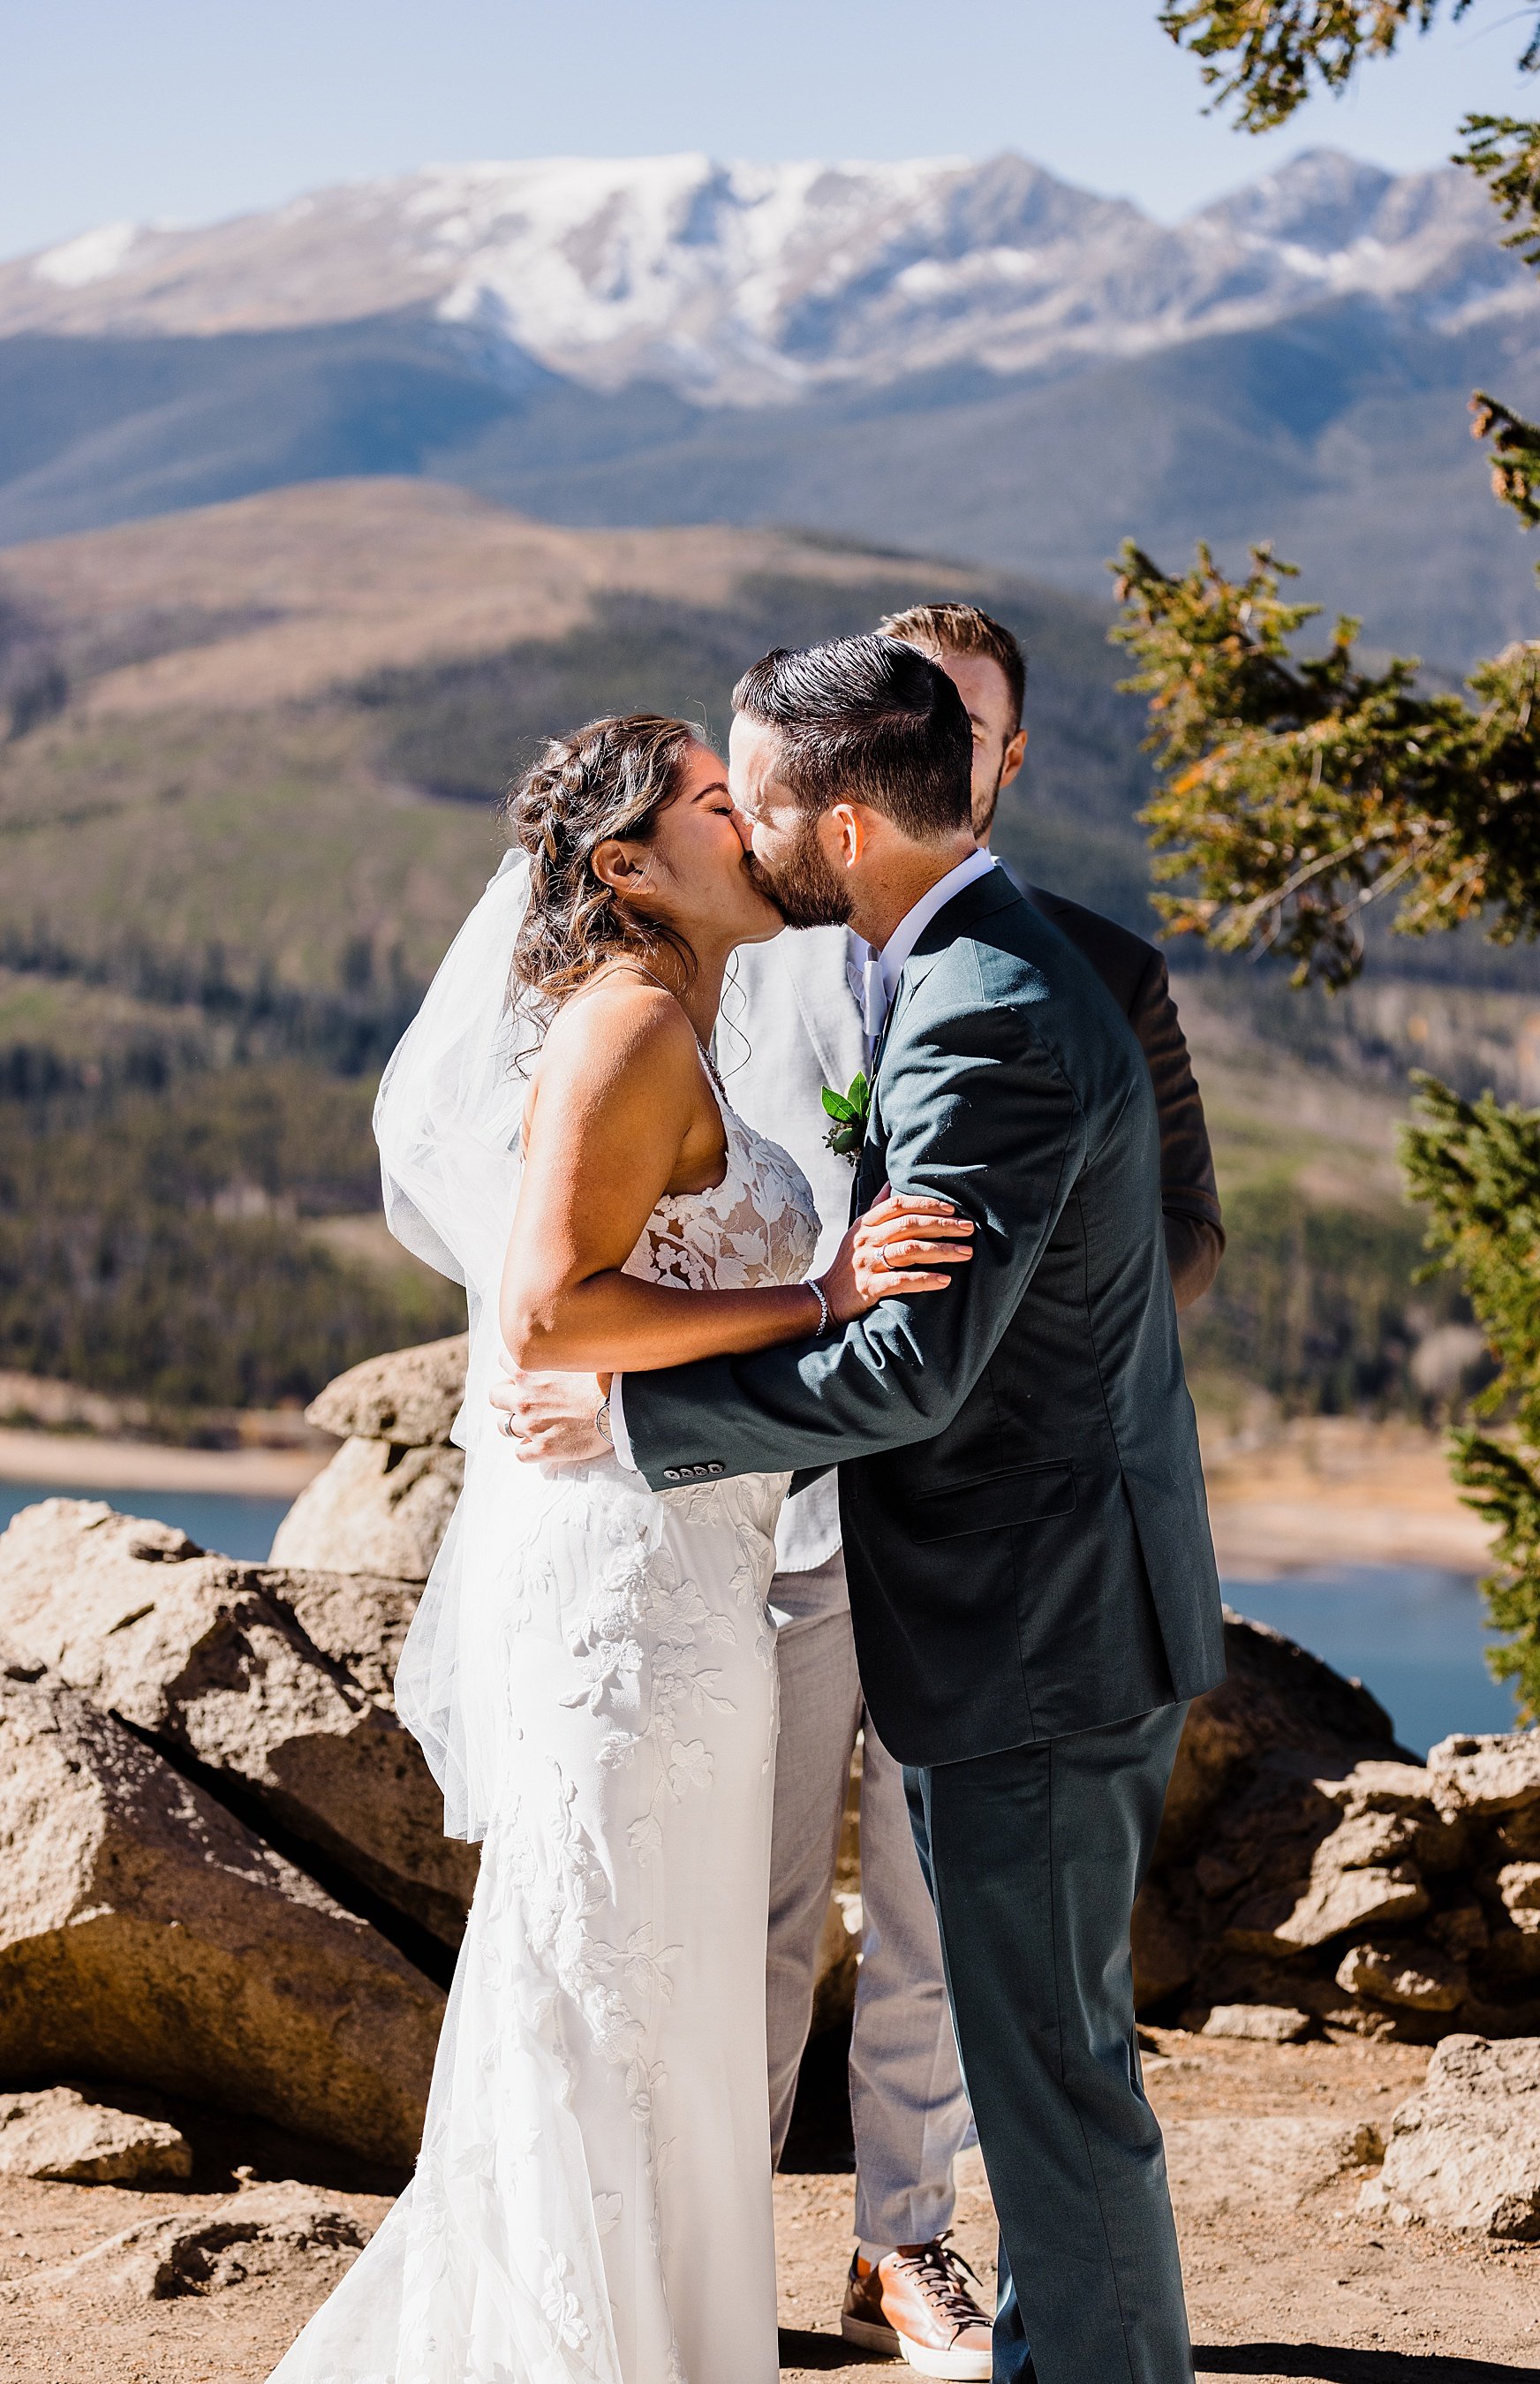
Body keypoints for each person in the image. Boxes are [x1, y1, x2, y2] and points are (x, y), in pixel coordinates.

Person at [510, 635, 1227, 2384]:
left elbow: (914, 1376)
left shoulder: (989, 1013)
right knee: (1053, 2068)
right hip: (1035, 1608)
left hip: (1040, 1630)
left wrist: (638, 1416)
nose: (739, 839)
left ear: (839, 827)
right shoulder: (967, 967)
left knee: (1053, 2086)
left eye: (751, 805)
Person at [267, 714, 972, 2384]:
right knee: (609, 2002)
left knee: (663, 2012)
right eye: (721, 810)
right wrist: (819, 1296)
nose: (760, 831)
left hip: (700, 1592)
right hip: (629, 1610)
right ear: (627, 867)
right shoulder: (632, 1026)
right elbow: (546, 1309)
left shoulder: (688, 1024)